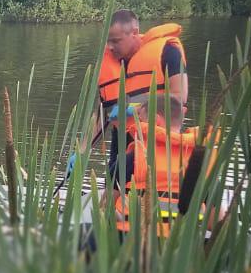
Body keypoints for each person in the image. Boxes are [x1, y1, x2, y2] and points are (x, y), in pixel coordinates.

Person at [74, 10, 188, 185]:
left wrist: (133, 109)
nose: (110, 47)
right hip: (122, 139)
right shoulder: (108, 64)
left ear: (134, 32)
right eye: (108, 41)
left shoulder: (168, 51)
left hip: (157, 139)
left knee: (150, 192)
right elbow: (102, 114)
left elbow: (179, 97)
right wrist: (81, 153)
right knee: (114, 191)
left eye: (116, 41)